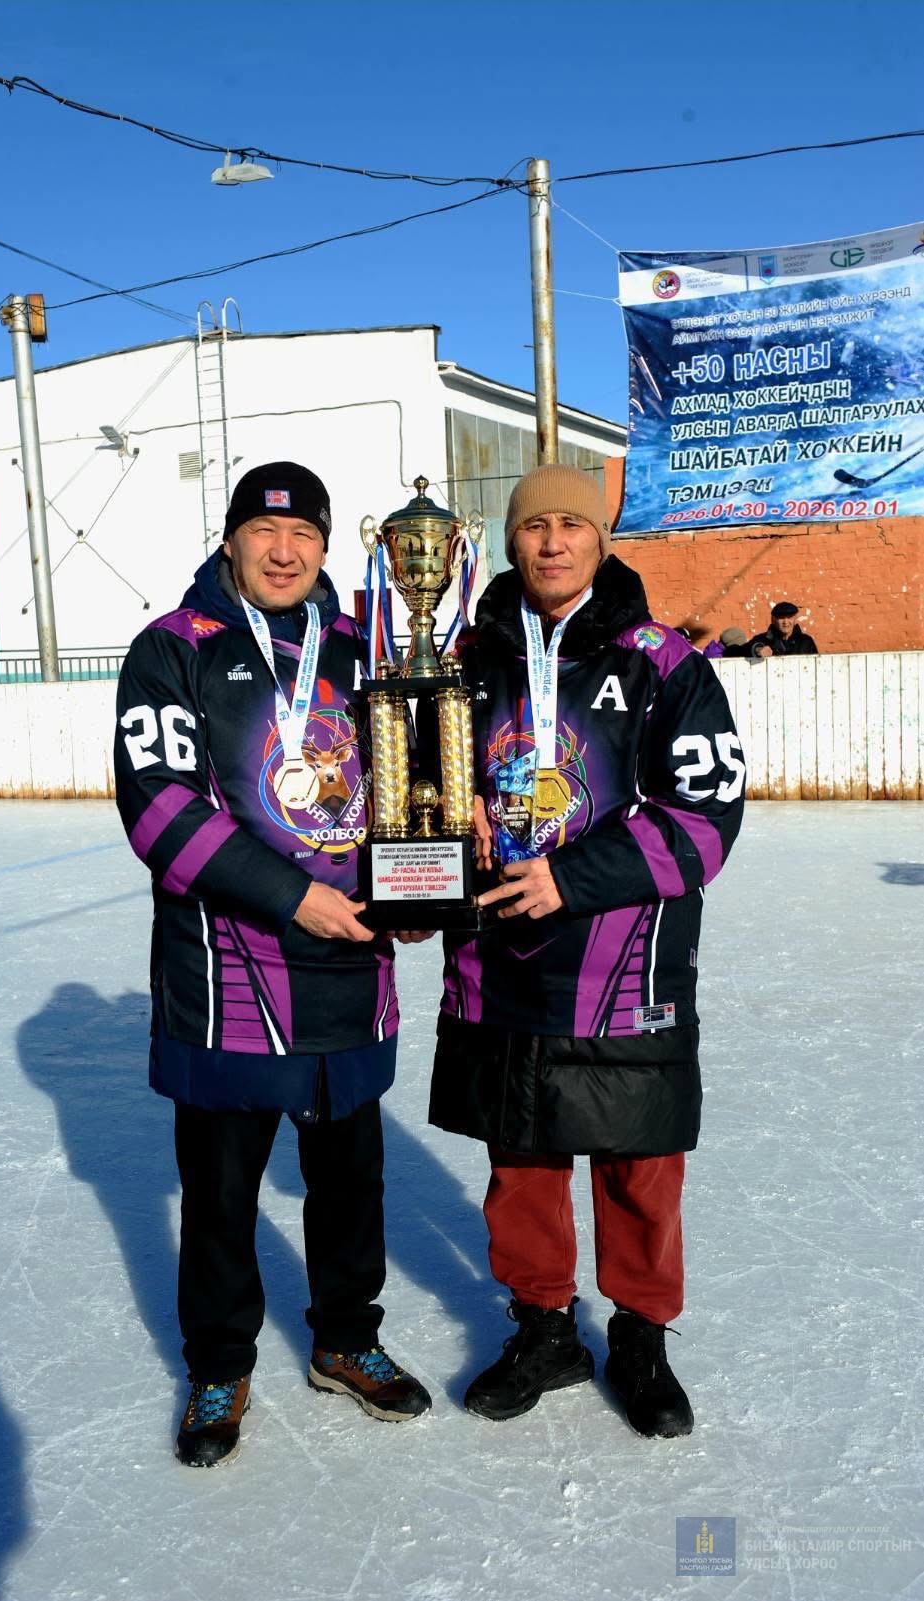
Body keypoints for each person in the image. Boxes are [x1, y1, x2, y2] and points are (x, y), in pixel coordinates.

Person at [114, 462, 430, 1469]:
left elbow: (413, 789)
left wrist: (419, 890)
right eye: (263, 530)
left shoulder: (364, 648)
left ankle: (345, 1337)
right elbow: (160, 810)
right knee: (219, 1194)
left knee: (351, 1181)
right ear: (232, 539)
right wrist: (295, 896)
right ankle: (218, 1363)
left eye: (303, 536)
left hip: (349, 964)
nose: (284, 551)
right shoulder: (174, 647)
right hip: (229, 975)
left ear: (327, 547)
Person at [429, 463, 745, 1439]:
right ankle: (543, 1327)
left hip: (623, 962)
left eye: (572, 523)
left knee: (638, 1159)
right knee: (521, 1157)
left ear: (600, 540)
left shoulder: (663, 662)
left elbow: (706, 818)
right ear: (511, 541)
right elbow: (413, 784)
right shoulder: (467, 657)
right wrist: (447, 805)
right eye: (535, 526)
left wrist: (572, 877)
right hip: (502, 953)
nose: (553, 541)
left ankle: (641, 1334)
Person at [748, 601, 818, 658]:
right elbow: (743, 650)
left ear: (795, 620)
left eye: (789, 617)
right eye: (781, 618)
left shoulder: (806, 641)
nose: (785, 622)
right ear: (773, 620)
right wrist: (757, 650)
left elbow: (816, 664)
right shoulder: (763, 639)